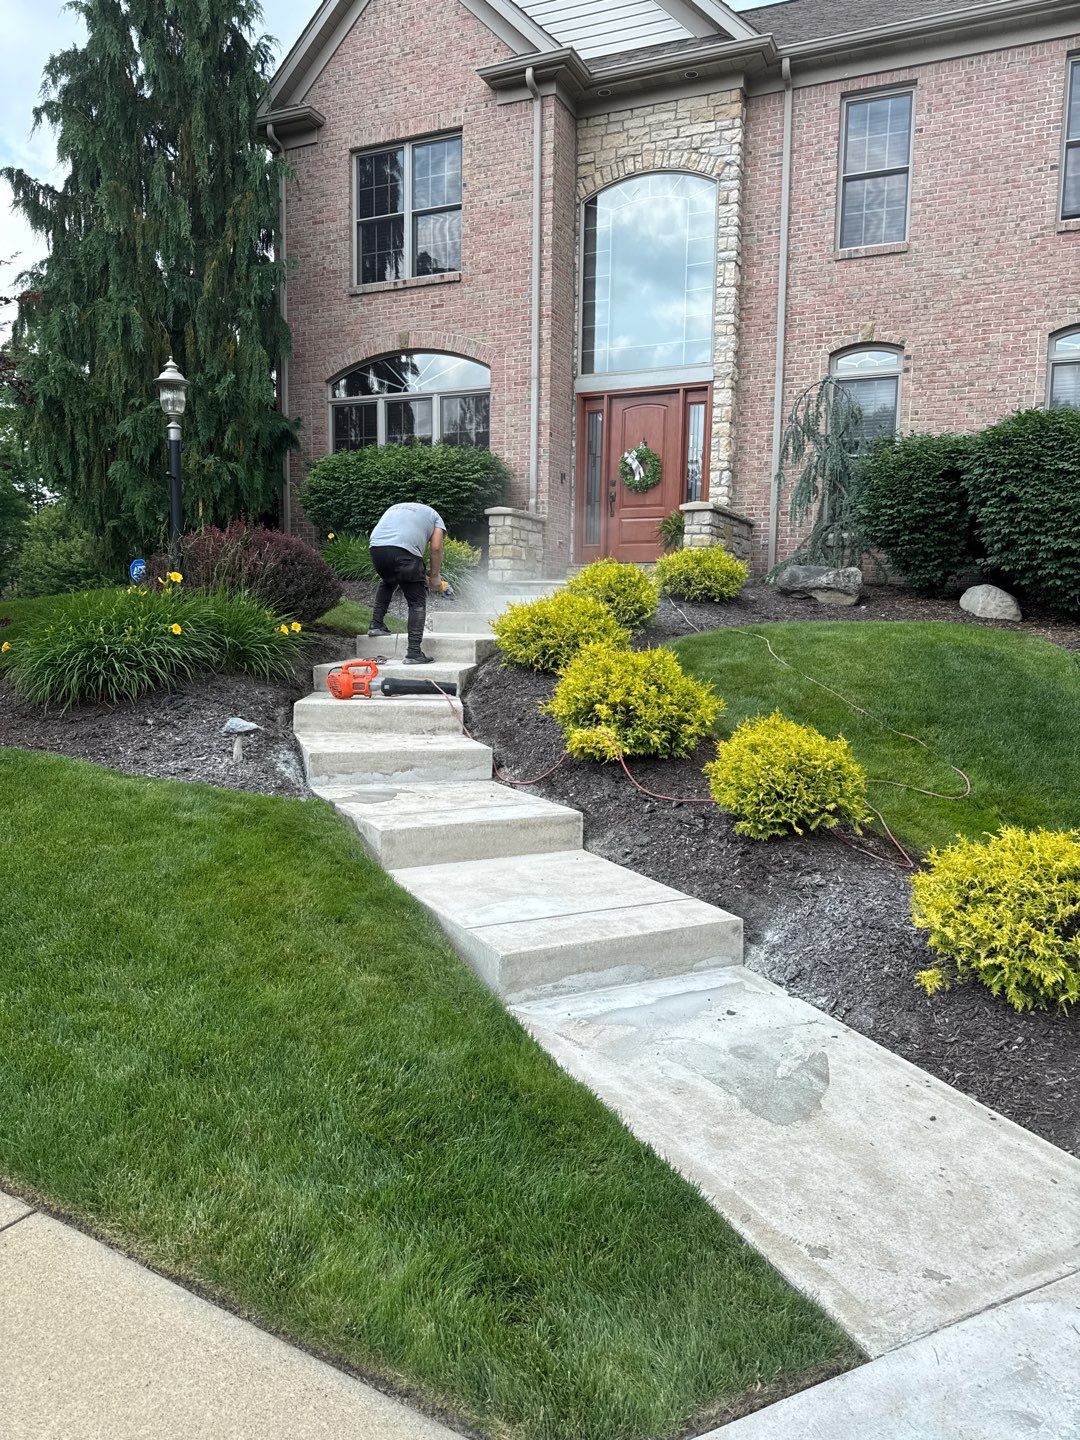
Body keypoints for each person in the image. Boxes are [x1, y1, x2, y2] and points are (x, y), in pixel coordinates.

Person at [366, 501, 446, 664]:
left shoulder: (395, 508)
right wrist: (435, 576)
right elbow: (436, 548)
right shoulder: (436, 517)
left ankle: (376, 624)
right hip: (405, 552)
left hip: (377, 549)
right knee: (417, 602)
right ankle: (414, 653)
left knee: (388, 581)